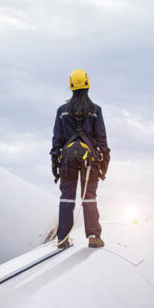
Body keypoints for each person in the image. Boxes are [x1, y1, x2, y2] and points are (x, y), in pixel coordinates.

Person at [51, 69, 110, 249]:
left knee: (67, 198)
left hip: (68, 161)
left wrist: (55, 162)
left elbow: (57, 139)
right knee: (89, 197)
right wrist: (105, 162)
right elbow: (101, 138)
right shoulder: (95, 110)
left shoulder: (62, 111)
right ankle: (93, 236)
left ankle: (62, 239)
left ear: (71, 85)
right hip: (89, 160)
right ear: (87, 84)